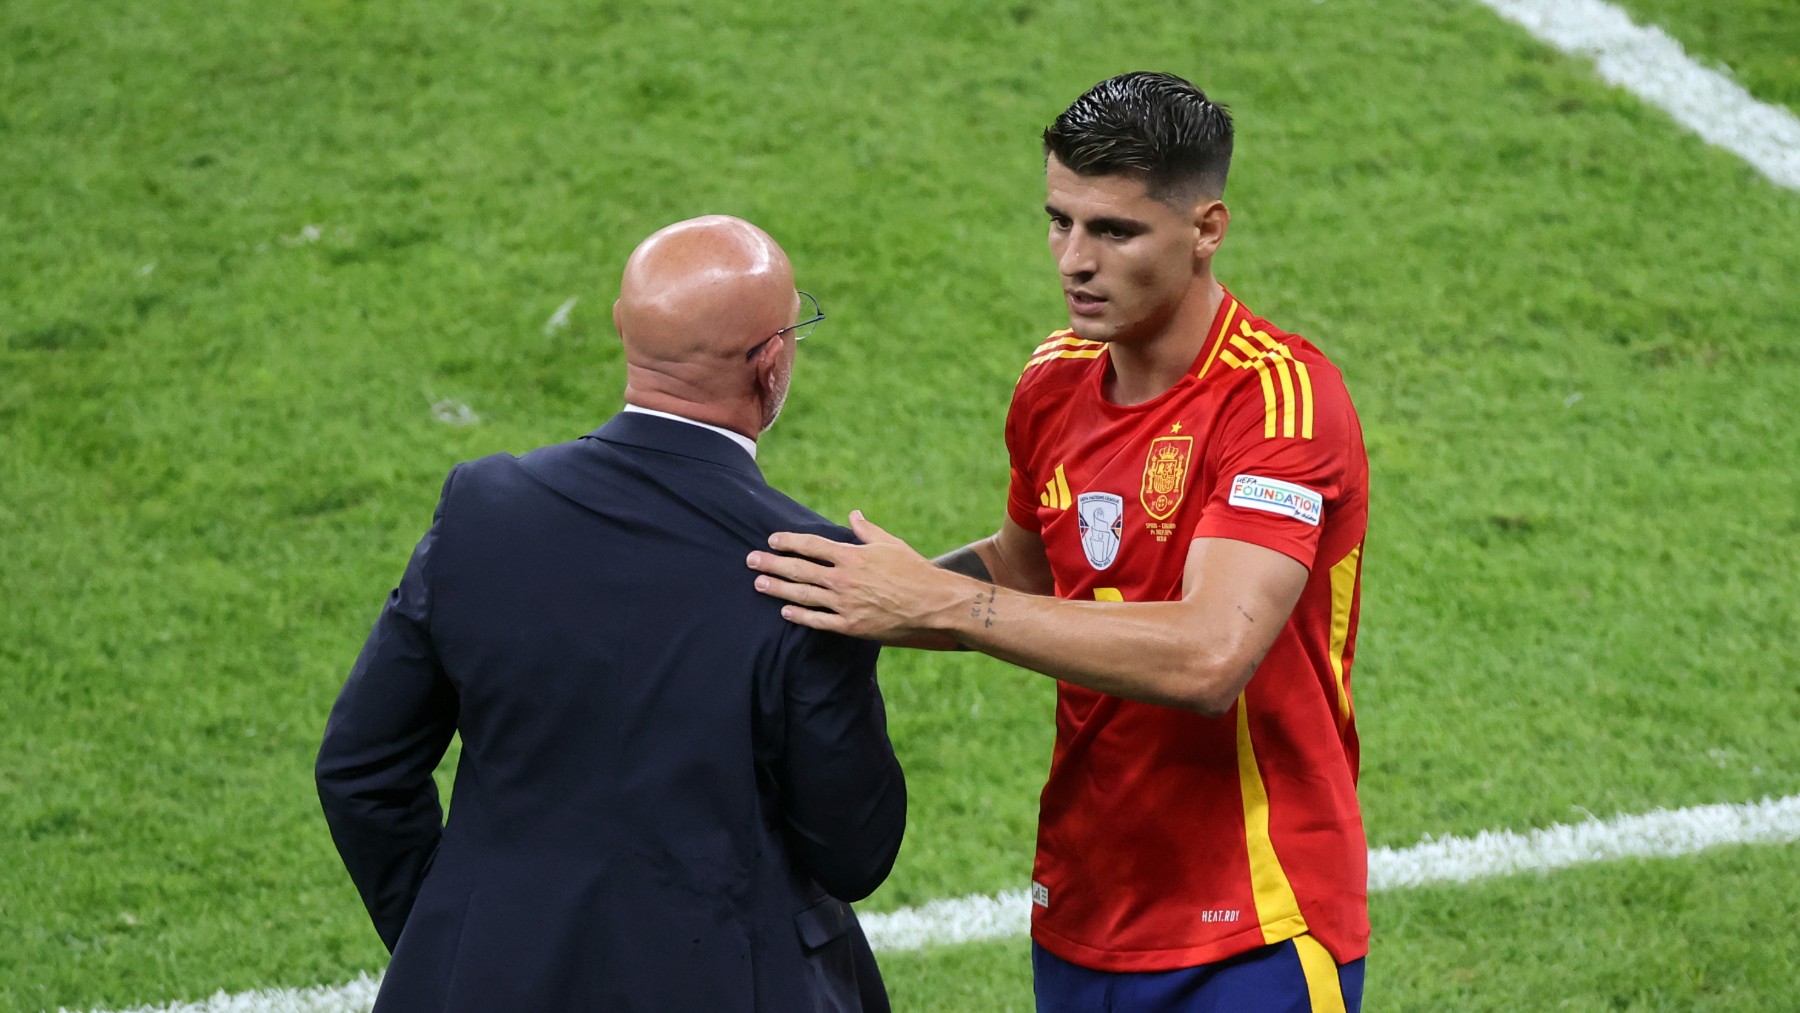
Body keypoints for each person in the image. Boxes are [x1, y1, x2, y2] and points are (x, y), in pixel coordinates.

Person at [747, 73, 1369, 1012]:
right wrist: (840, 600)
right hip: (1085, 903)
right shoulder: (1054, 380)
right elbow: (1024, 565)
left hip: (1256, 925)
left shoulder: (1278, 402)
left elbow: (1211, 656)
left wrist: (940, 601)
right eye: (1059, 221)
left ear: (1206, 229)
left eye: (1114, 231)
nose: (1073, 259)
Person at [316, 215, 907, 1013]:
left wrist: (456, 935)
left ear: (624, 329)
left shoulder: (483, 511)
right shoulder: (811, 565)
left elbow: (361, 769)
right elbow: (855, 851)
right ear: (770, 365)